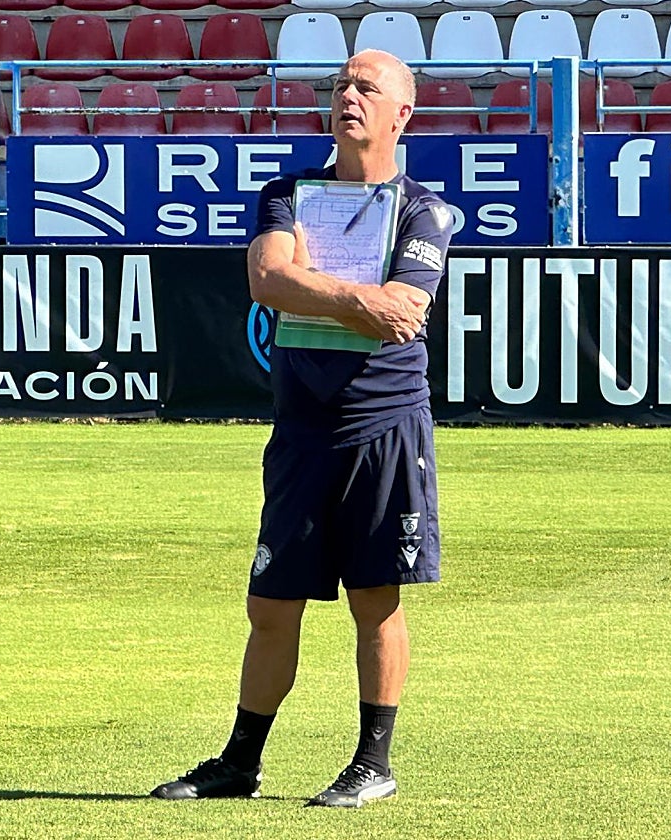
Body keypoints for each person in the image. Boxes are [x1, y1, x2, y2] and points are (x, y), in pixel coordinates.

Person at [150, 49, 454, 808]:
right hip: (301, 431)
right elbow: (266, 280)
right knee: (270, 603)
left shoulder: (423, 210)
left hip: (383, 426)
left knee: (375, 597)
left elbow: (406, 309)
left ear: (401, 114)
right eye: (340, 85)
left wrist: (312, 288)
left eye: (366, 88)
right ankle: (240, 763)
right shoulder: (287, 194)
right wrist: (357, 299)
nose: (348, 96)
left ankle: (372, 763)